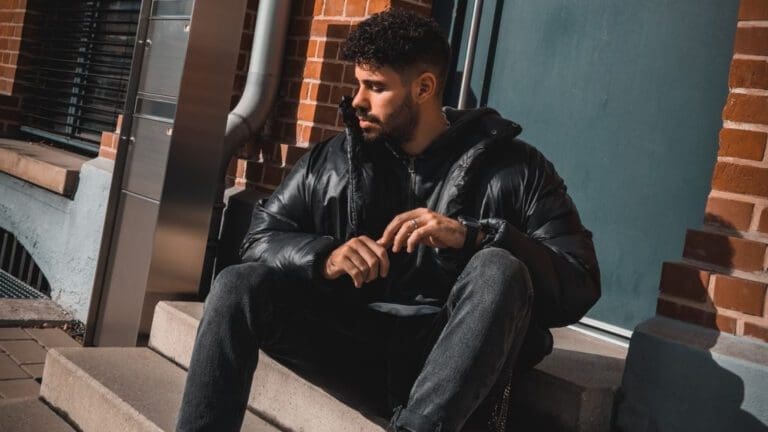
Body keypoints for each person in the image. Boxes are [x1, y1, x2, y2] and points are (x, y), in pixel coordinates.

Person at [177, 8, 600, 432]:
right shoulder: (334, 161)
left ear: (424, 88)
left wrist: (476, 237)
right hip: (354, 345)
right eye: (358, 84)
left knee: (499, 266)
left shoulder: (516, 169)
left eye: (375, 87)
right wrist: (323, 256)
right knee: (237, 284)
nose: (357, 100)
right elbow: (258, 239)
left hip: (456, 360)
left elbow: (578, 282)